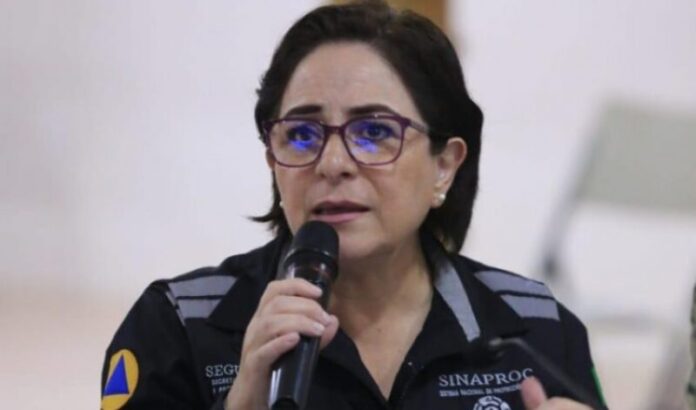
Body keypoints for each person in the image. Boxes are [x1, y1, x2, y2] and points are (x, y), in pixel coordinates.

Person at [101, 2, 606, 409]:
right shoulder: (182, 325)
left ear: (444, 166)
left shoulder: (536, 329)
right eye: (302, 134)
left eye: (375, 132)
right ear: (273, 162)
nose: (334, 163)